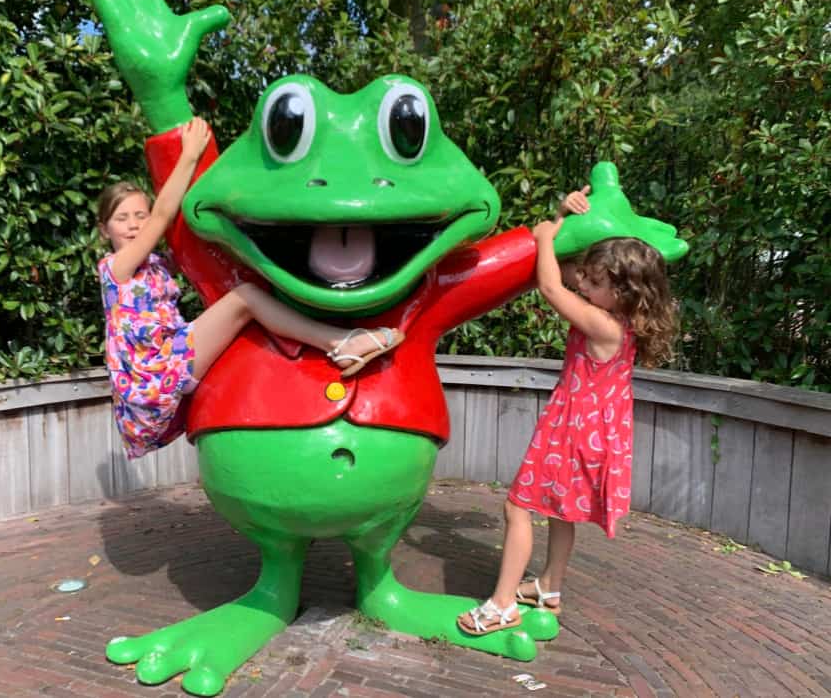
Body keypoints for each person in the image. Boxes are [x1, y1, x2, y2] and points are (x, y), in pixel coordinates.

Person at [97, 117, 404, 459]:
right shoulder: (116, 268)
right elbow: (163, 215)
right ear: (103, 229)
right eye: (122, 219)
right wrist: (189, 155)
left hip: (169, 356)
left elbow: (189, 241)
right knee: (245, 298)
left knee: (246, 300)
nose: (134, 225)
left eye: (139, 215)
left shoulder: (154, 264)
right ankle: (339, 341)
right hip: (156, 370)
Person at [457, 186, 678, 634]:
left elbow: (550, 283)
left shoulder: (602, 323)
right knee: (561, 511)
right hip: (594, 432)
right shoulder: (620, 321)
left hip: (573, 430)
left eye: (595, 283)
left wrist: (541, 237)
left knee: (518, 508)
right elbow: (569, 269)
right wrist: (560, 215)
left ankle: (503, 603)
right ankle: (548, 587)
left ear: (623, 291)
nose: (584, 283)